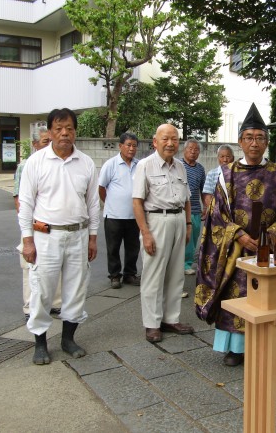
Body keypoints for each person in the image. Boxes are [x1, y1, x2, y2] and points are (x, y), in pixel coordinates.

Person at [195, 103, 276, 366]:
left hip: (269, 249)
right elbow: (216, 214)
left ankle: (268, 348)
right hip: (235, 249)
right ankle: (236, 349)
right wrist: (238, 235)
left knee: (269, 296)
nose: (255, 143)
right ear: (240, 141)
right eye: (249, 138)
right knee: (237, 295)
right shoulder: (226, 174)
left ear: (266, 143)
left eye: (260, 138)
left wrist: (268, 236)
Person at [18, 108, 100, 365]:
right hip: (45, 237)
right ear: (50, 132)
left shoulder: (86, 163)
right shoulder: (36, 162)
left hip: (78, 235)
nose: (64, 133)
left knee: (76, 291)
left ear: (75, 131)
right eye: (59, 128)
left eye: (69, 129)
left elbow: (93, 204)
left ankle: (67, 340)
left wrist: (93, 237)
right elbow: (25, 204)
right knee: (41, 291)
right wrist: (27, 240)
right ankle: (40, 344)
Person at [132, 124, 195, 344]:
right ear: (155, 141)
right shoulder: (145, 165)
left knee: (176, 274)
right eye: (165, 139)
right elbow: (137, 202)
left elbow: (187, 199)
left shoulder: (180, 166)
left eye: (175, 139)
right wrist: (145, 233)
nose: (170, 143)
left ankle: (170, 319)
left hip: (178, 220)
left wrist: (188, 225)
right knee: (153, 275)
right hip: (156, 221)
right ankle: (152, 324)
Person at [13, 126, 61, 320]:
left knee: (56, 264)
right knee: (31, 266)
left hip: (54, 225)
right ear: (34, 145)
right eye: (44, 142)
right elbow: (19, 200)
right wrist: (29, 227)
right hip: (34, 226)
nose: (49, 145)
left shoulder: (57, 164)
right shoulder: (26, 166)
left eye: (50, 141)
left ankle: (55, 304)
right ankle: (29, 307)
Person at [98, 132, 141, 289]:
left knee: (133, 247)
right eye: (128, 145)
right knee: (113, 247)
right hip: (114, 215)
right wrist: (110, 202)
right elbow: (101, 188)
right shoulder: (111, 164)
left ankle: (130, 274)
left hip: (134, 216)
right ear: (120, 146)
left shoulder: (139, 165)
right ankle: (115, 276)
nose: (131, 148)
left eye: (134, 146)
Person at [180, 139, 206, 275]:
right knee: (182, 238)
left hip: (195, 209)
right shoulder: (178, 165)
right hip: (180, 209)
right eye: (190, 148)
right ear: (184, 150)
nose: (193, 151)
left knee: (193, 238)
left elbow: (203, 190)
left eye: (196, 149)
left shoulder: (200, 169)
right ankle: (180, 264)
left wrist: (205, 207)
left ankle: (188, 263)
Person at [201, 145, 235, 209]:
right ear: (218, 158)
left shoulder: (237, 174)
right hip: (216, 214)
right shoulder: (211, 174)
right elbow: (207, 197)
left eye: (228, 156)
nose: (225, 160)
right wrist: (216, 213)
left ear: (233, 158)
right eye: (222, 156)